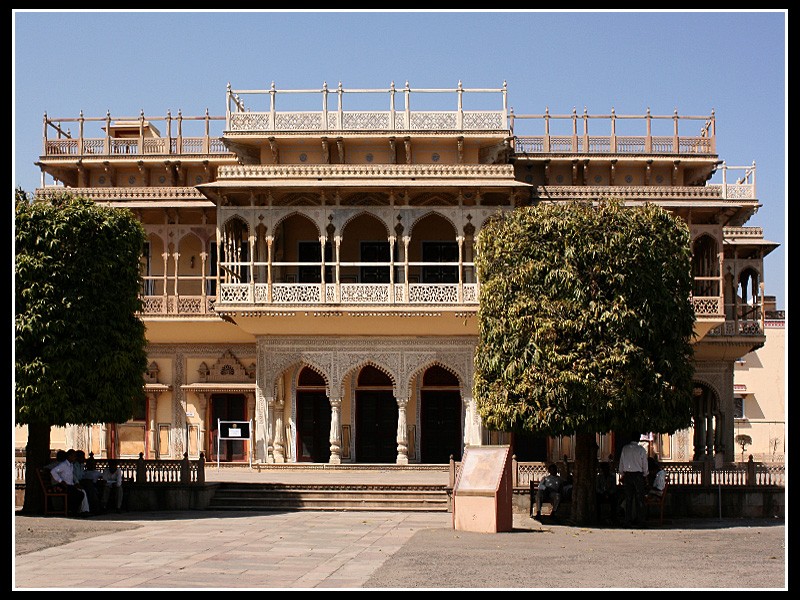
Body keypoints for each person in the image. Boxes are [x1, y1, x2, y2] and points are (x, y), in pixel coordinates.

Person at [618, 433, 648, 527]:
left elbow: (621, 462)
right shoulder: (641, 450)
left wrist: (622, 473)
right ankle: (641, 521)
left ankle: (627, 521)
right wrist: (645, 474)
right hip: (638, 475)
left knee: (628, 499)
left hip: (628, 475)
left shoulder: (625, 449)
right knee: (640, 499)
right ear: (639, 439)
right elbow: (644, 464)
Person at [49, 449, 90, 517]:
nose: (75, 458)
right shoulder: (63, 465)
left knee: (80, 493)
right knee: (76, 494)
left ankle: (75, 510)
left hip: (70, 485)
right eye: (74, 456)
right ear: (69, 456)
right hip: (64, 485)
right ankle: (72, 511)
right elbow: (53, 471)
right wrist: (60, 480)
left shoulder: (70, 465)